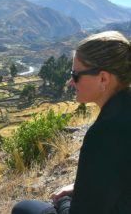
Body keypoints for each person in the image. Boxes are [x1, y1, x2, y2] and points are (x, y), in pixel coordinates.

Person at [12, 31, 131, 214]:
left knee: (22, 208)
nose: (70, 82)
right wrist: (82, 187)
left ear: (103, 79)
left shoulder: (104, 134)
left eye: (75, 75)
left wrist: (64, 201)